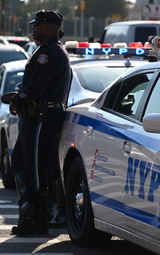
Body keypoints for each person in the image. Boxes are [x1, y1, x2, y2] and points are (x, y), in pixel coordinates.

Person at [9, 9, 71, 235]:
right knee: (18, 162)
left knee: (34, 168)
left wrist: (19, 98)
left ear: (47, 27)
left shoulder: (49, 52)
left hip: (43, 117)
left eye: (37, 24)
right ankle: (28, 211)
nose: (33, 28)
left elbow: (37, 86)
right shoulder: (46, 50)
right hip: (34, 117)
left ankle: (38, 219)